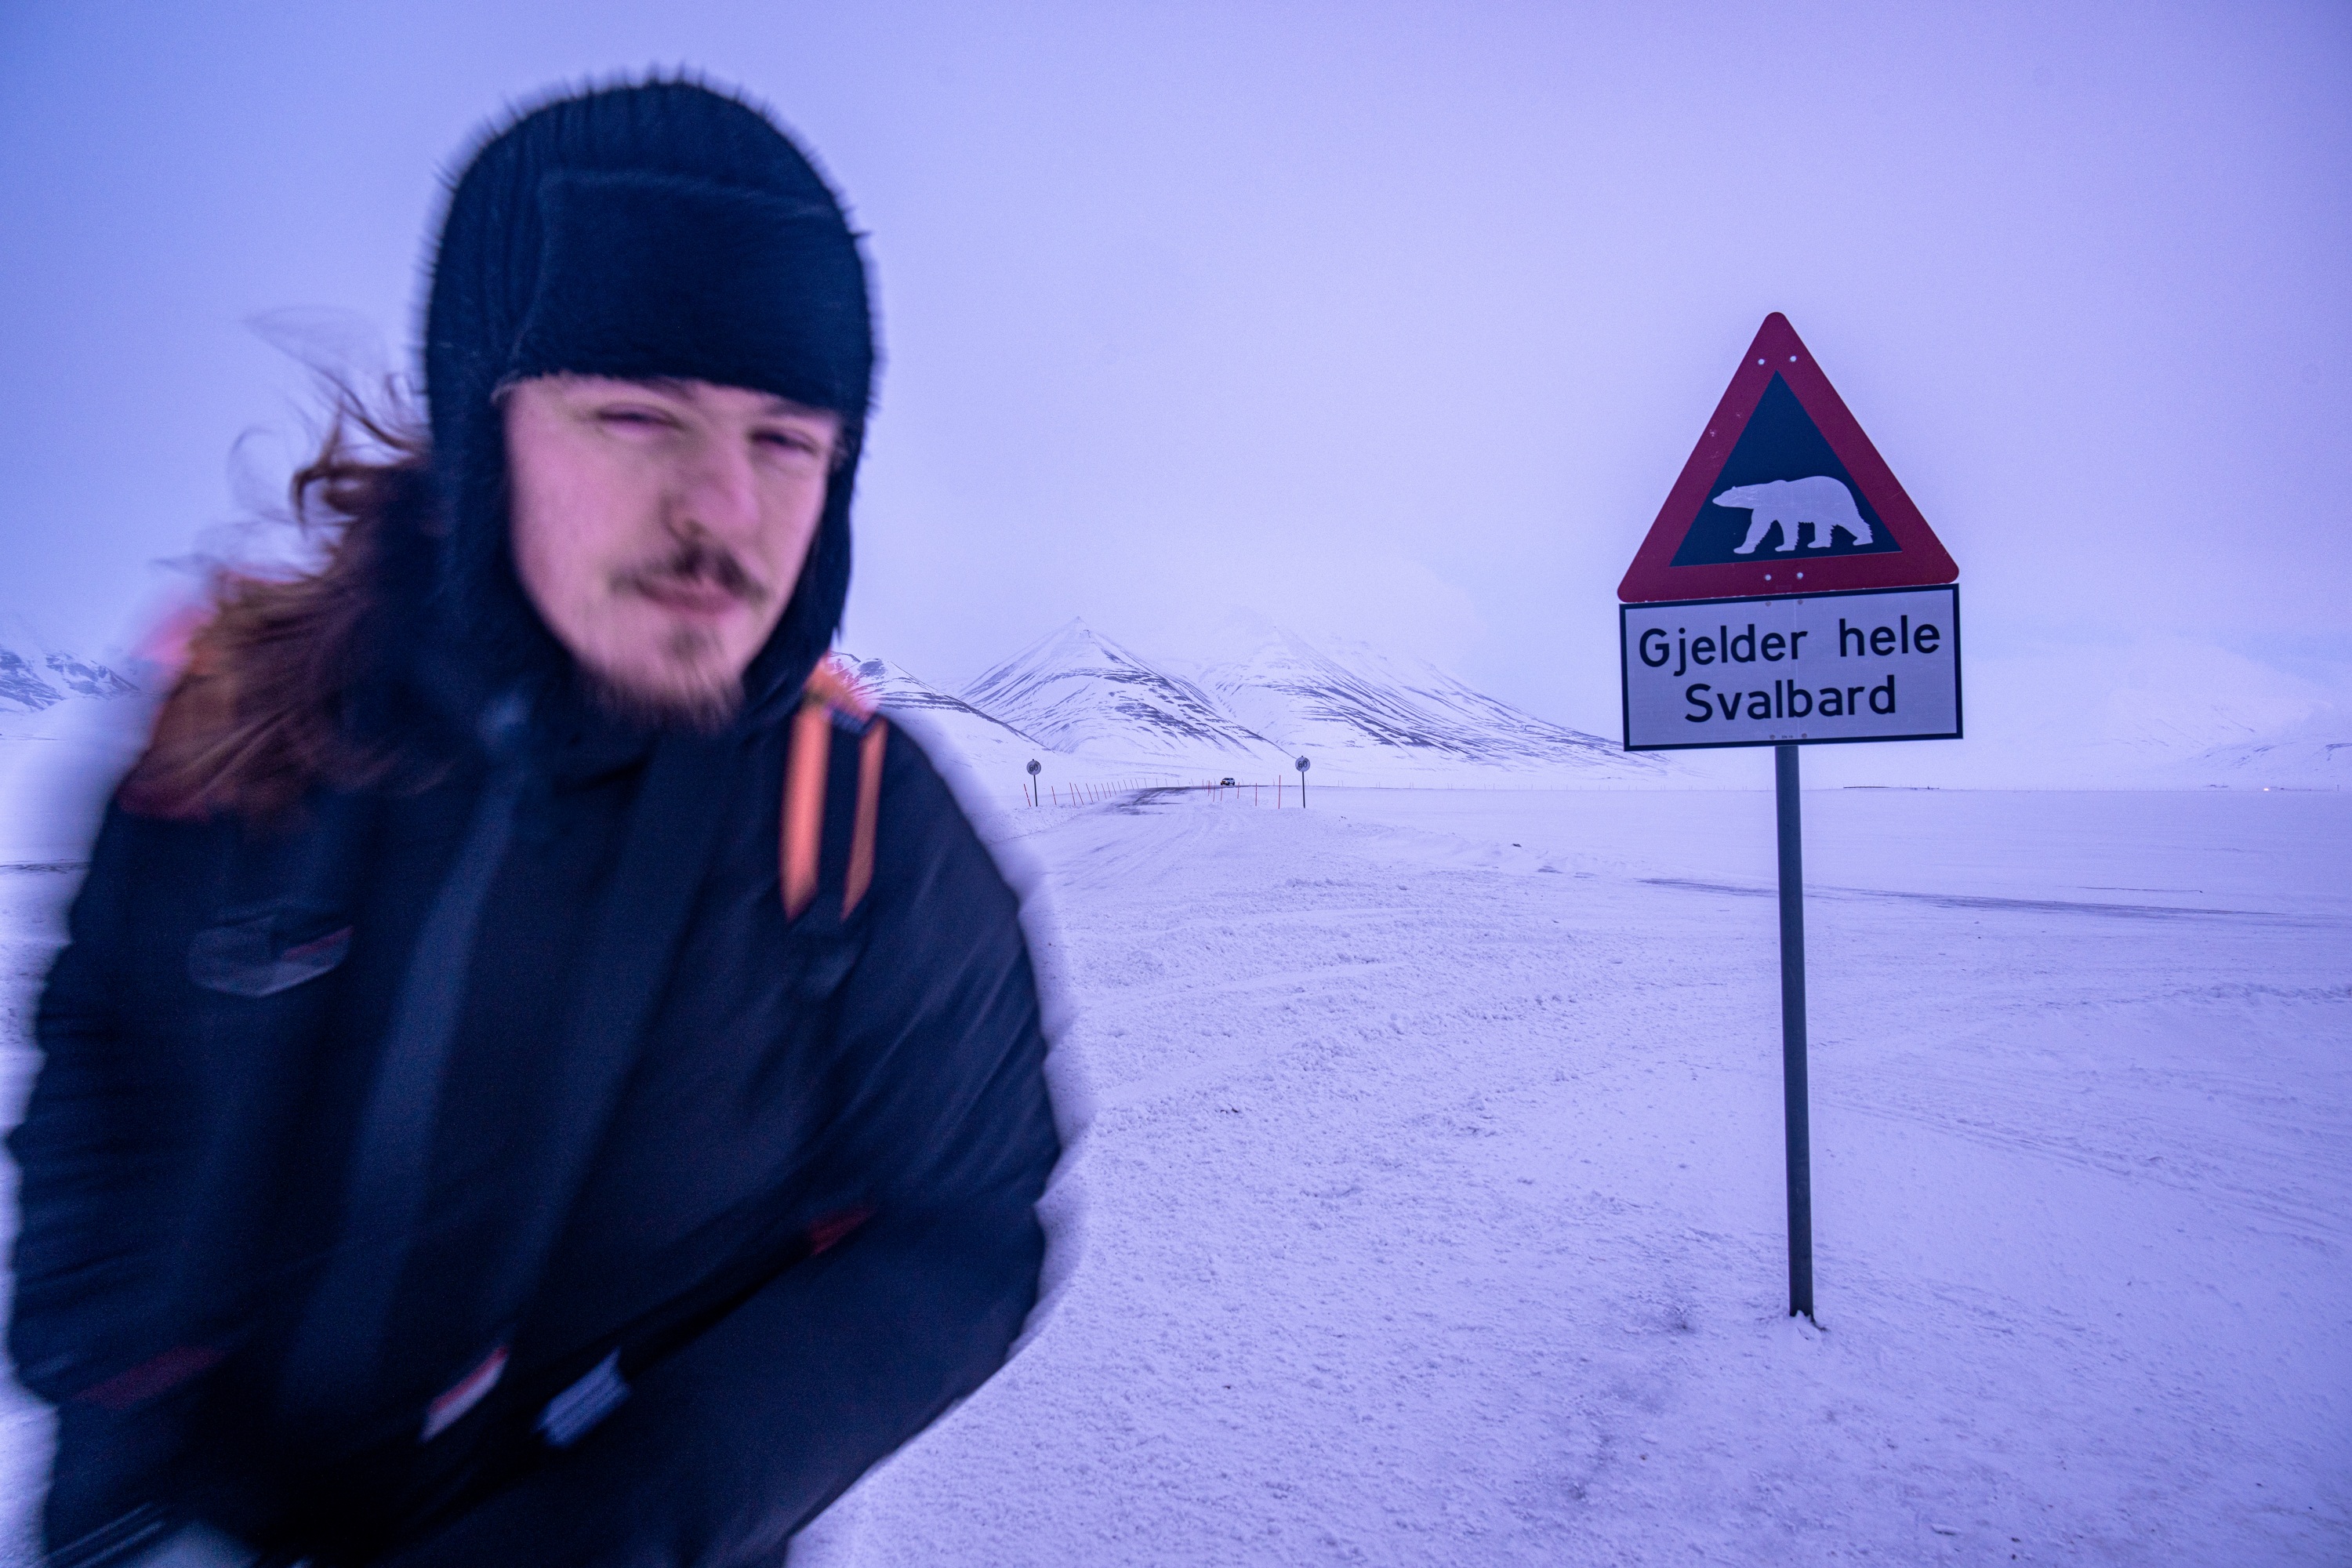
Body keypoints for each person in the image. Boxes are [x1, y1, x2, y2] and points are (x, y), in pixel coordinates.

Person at [8, 80, 1062, 1566]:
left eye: (785, 439)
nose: (722, 508)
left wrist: (626, 1521)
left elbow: (964, 1228)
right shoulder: (249, 715)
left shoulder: (865, 827)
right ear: (481, 424)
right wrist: (120, 1459)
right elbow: (105, 1060)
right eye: (636, 416)